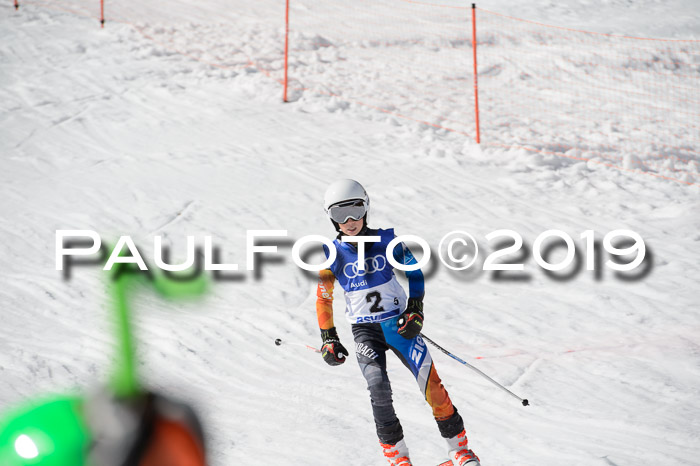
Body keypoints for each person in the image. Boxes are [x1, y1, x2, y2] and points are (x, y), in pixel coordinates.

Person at [315, 179, 481, 466]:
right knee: (378, 390)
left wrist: (415, 309)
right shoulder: (333, 256)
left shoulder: (387, 241)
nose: (350, 220)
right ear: (331, 218)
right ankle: (397, 457)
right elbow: (323, 300)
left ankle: (460, 449)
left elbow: (414, 273)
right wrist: (329, 337)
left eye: (356, 210)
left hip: (399, 325)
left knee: (431, 385)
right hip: (365, 332)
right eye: (341, 215)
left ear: (366, 208)